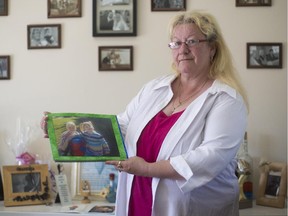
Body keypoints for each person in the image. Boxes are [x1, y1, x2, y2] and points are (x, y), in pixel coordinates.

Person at [41, 10, 248, 216]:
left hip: (190, 209)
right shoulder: (154, 88)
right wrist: (63, 128)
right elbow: (121, 127)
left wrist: (148, 169)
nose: (182, 49)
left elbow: (209, 157)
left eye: (192, 41)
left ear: (212, 48)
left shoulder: (225, 100)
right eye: (176, 42)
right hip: (138, 201)